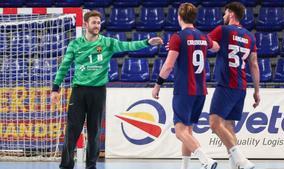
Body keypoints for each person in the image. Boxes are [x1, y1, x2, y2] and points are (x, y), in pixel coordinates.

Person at [51, 10, 163, 169]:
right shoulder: (75, 45)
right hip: (79, 91)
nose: (97, 25)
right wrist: (55, 88)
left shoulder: (107, 43)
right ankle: (66, 165)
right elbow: (64, 66)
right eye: (94, 22)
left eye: (98, 22)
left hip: (98, 92)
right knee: (72, 130)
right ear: (85, 24)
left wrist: (147, 42)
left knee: (94, 132)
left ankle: (91, 166)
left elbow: (128, 45)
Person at [152, 3, 220, 169]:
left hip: (184, 90)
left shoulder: (178, 37)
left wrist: (157, 85)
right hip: (200, 90)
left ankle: (206, 160)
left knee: (180, 131)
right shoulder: (202, 36)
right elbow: (216, 47)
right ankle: (185, 166)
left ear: (179, 17)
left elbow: (168, 66)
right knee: (188, 132)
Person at [208, 2, 260, 169]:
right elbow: (254, 64)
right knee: (229, 126)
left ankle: (242, 161)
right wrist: (257, 91)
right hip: (241, 86)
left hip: (225, 84)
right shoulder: (249, 36)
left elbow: (204, 44)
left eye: (225, 13)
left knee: (215, 123)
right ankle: (235, 166)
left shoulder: (222, 30)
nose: (223, 16)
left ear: (230, 13)